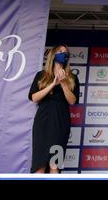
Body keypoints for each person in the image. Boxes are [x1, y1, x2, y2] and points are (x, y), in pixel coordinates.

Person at [28, 44, 80, 173]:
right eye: (60, 51)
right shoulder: (41, 75)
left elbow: (72, 101)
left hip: (60, 122)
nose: (64, 54)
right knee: (39, 164)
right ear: (53, 55)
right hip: (43, 121)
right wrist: (53, 84)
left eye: (66, 52)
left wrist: (63, 83)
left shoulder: (72, 78)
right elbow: (34, 98)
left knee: (54, 164)